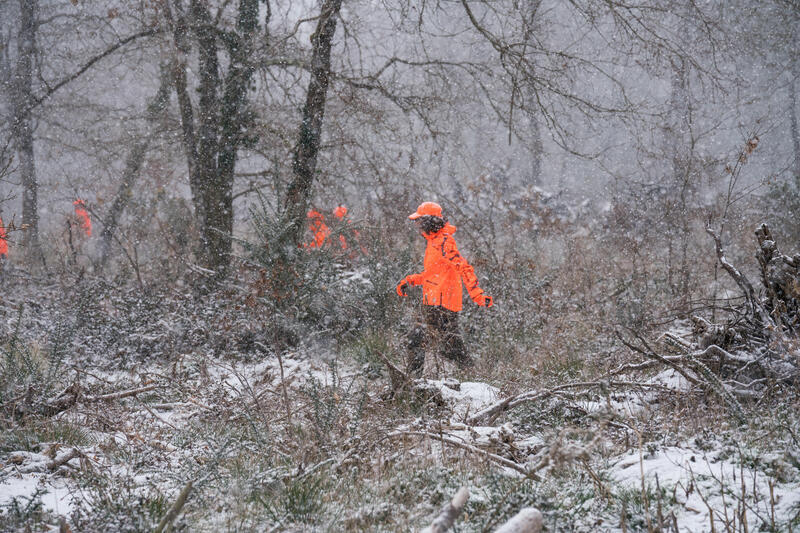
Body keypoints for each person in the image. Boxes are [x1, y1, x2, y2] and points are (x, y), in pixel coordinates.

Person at [396, 201, 493, 375]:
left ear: (428, 222)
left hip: (443, 305)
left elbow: (463, 267)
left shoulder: (444, 242)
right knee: (443, 345)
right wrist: (409, 281)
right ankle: (414, 382)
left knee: (434, 343)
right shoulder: (433, 242)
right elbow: (432, 274)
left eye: (419, 221)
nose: (416, 226)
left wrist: (477, 294)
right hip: (432, 302)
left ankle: (413, 383)